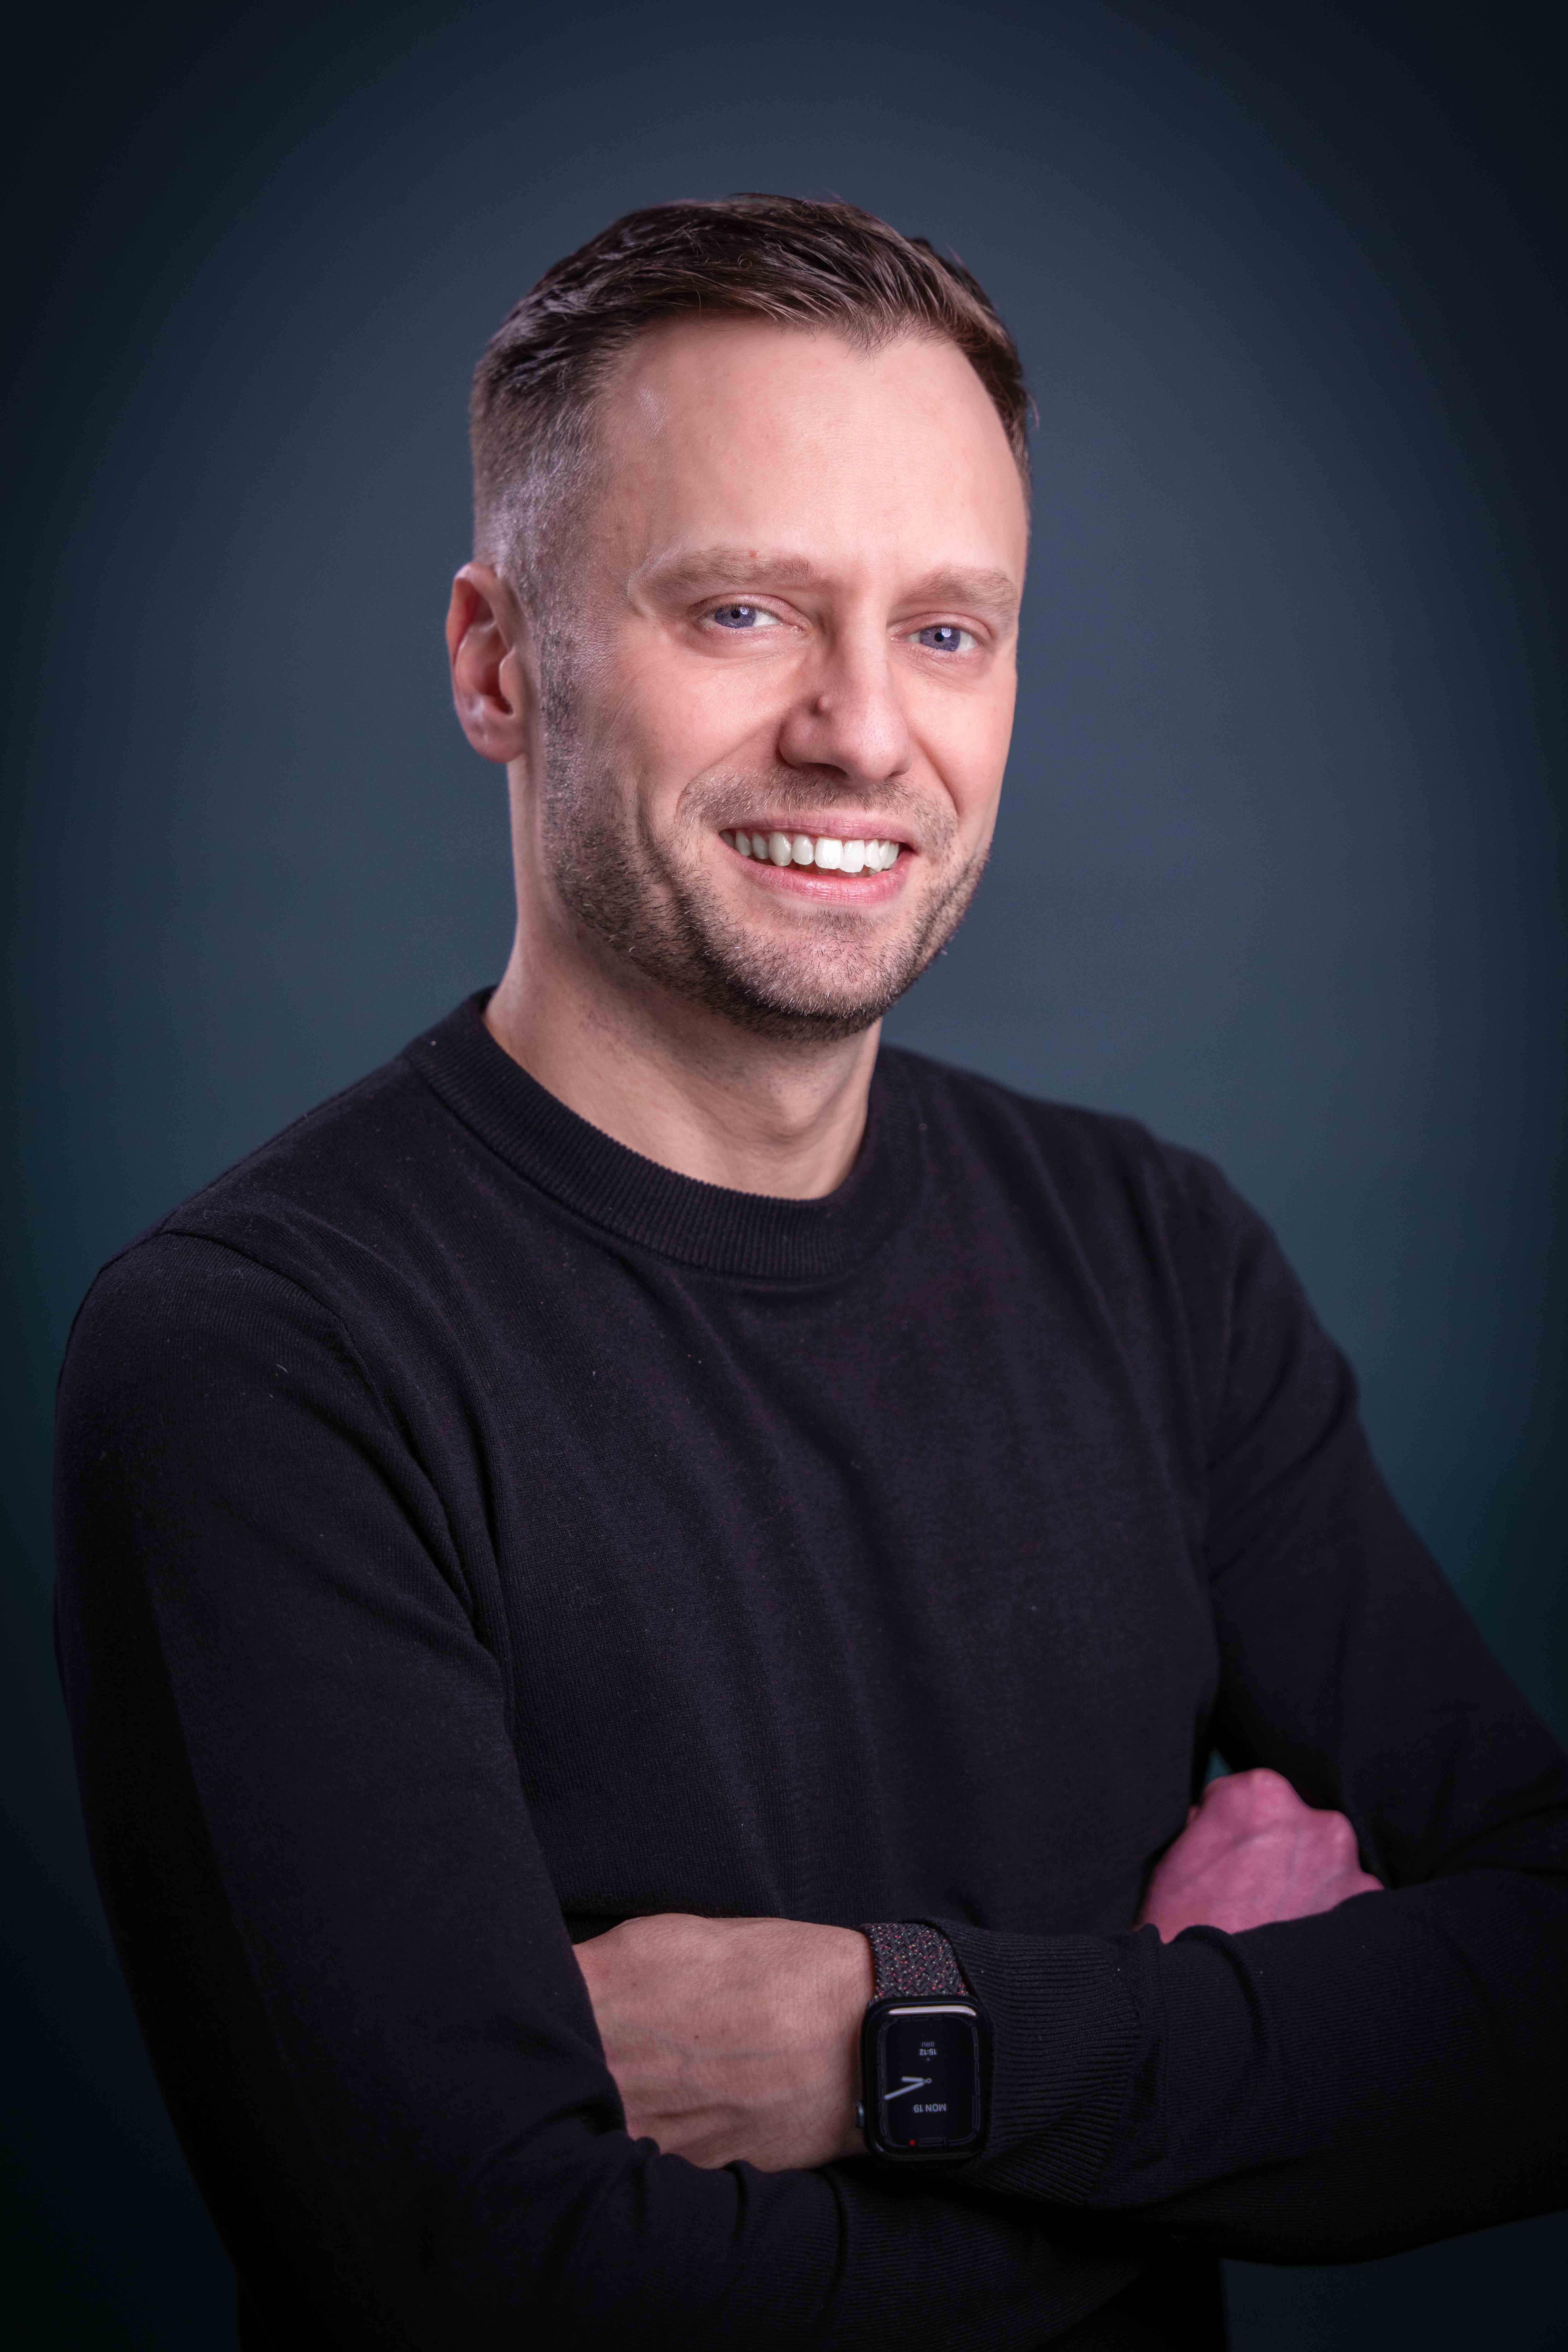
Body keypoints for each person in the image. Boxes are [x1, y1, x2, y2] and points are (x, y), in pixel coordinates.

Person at [54, 195, 1568, 2351]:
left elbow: (1539, 2010)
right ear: (498, 663)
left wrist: (901, 2033)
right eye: (745, 611)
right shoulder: (262, 1353)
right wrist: (1200, 2071)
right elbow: (496, 2288)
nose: (866, 734)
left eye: (948, 630)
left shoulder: (1155, 1257)